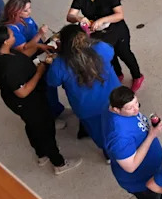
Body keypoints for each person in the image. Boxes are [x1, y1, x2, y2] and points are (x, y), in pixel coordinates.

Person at [0, 26, 81, 174]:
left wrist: (41, 47)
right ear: (5, 42)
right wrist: (40, 72)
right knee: (45, 129)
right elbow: (22, 92)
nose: (14, 36)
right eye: (11, 35)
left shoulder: (3, 54)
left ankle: (41, 154)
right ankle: (59, 163)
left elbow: (24, 54)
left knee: (32, 125)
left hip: (23, 103)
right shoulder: (8, 68)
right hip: (28, 102)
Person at [47, 24, 120, 154]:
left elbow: (52, 81)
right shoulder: (101, 48)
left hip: (87, 108)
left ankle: (108, 152)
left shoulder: (60, 64)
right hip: (114, 98)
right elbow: (111, 53)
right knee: (119, 123)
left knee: (98, 131)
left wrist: (58, 55)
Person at [67, 0, 144, 89]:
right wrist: (78, 18)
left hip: (116, 29)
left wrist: (102, 20)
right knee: (109, 55)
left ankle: (137, 75)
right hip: (98, 32)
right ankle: (118, 74)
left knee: (124, 53)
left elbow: (119, 15)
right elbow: (70, 16)